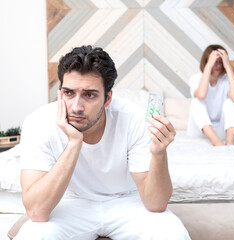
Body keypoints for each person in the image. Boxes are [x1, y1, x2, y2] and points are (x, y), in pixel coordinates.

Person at [15, 45, 190, 239]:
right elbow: (37, 212)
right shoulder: (38, 123)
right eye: (69, 93)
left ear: (107, 99)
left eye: (89, 95)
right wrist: (74, 143)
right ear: (60, 93)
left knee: (172, 233)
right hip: (69, 202)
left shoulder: (133, 119)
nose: (76, 107)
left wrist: (159, 153)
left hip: (126, 201)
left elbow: (156, 204)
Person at [187, 44, 234, 146]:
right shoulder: (195, 79)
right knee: (197, 100)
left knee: (231, 102)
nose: (218, 66)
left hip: (221, 131)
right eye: (215, 62)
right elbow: (201, 95)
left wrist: (228, 66)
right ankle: (216, 142)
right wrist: (209, 65)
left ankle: (230, 142)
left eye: (221, 62)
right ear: (207, 62)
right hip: (200, 131)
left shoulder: (226, 80)